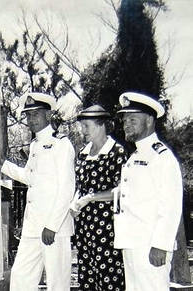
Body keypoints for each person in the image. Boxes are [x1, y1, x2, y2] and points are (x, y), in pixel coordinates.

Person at [1, 92, 75, 291]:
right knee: (20, 277)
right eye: (28, 115)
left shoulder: (61, 144)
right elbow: (29, 178)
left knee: (57, 283)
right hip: (32, 226)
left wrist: (52, 225)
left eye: (36, 114)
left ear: (49, 115)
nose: (31, 119)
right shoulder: (35, 145)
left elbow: (67, 188)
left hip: (54, 228)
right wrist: (3, 165)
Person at [113, 92, 182, 291]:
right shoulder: (135, 156)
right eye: (125, 120)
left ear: (150, 121)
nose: (126, 124)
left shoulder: (161, 157)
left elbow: (170, 205)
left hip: (150, 244)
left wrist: (161, 244)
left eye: (133, 119)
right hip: (132, 241)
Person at [69, 105, 127, 291]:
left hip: (106, 227)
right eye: (81, 126)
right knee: (87, 276)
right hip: (85, 226)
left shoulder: (117, 152)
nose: (82, 131)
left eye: (87, 126)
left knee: (109, 277)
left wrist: (91, 198)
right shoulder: (83, 154)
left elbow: (122, 190)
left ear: (101, 125)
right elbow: (80, 186)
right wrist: (75, 203)